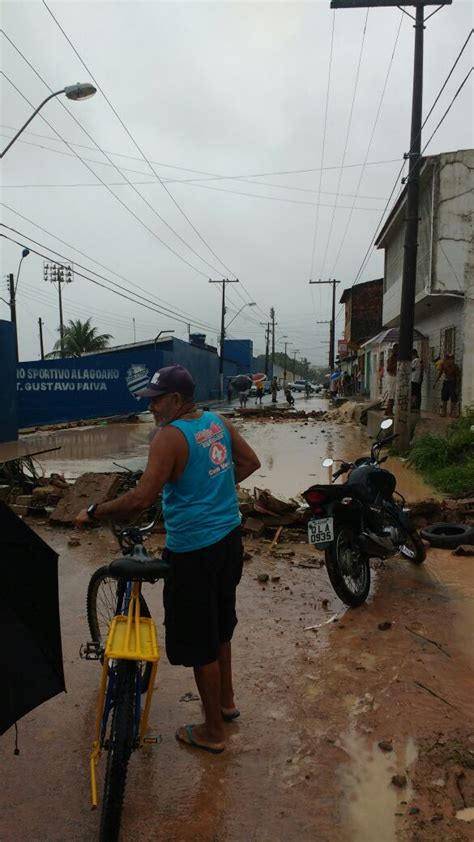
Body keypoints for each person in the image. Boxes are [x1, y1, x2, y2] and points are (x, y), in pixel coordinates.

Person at [75, 364, 260, 755]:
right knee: (221, 624)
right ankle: (226, 704)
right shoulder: (216, 422)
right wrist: (210, 492)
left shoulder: (168, 437)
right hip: (229, 541)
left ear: (176, 399)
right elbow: (248, 464)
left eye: (156, 400)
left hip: (194, 551)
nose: (152, 408)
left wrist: (94, 511)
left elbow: (141, 499)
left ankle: (212, 732)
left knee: (199, 642)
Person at [436, 352, 460, 417]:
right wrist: (436, 382)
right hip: (446, 383)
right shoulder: (443, 365)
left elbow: (458, 377)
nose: (451, 361)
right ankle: (444, 412)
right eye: (449, 359)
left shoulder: (455, 367)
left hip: (452, 383)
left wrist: (457, 387)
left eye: (452, 359)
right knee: (444, 398)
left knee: (453, 398)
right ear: (446, 359)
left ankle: (452, 412)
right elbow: (440, 373)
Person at [384, 343, 398, 416]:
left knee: (392, 395)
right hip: (392, 377)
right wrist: (396, 364)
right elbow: (388, 368)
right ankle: (389, 411)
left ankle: (387, 410)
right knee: (391, 396)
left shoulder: (395, 358)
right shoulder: (392, 358)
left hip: (393, 377)